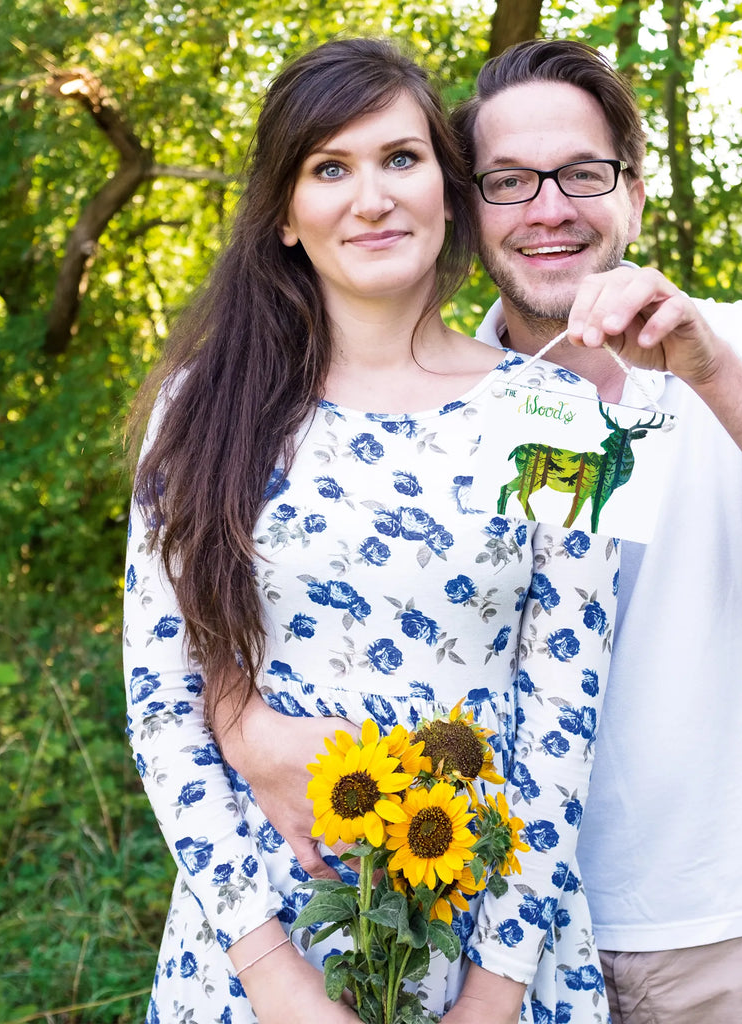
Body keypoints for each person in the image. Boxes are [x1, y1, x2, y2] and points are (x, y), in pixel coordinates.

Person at [219, 38, 742, 1024]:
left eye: (582, 173)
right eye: (509, 181)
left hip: (719, 927)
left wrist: (707, 370)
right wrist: (242, 723)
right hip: (496, 932)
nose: (548, 209)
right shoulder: (446, 395)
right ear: (470, 207)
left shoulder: (735, 348)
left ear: (633, 192)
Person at [123, 38, 619, 1024]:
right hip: (257, 944)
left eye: (400, 158)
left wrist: (494, 990)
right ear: (286, 218)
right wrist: (275, 978)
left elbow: (564, 708)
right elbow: (162, 698)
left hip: (490, 934)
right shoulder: (204, 410)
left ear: (450, 189)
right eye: (329, 168)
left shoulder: (558, 416)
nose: (373, 196)